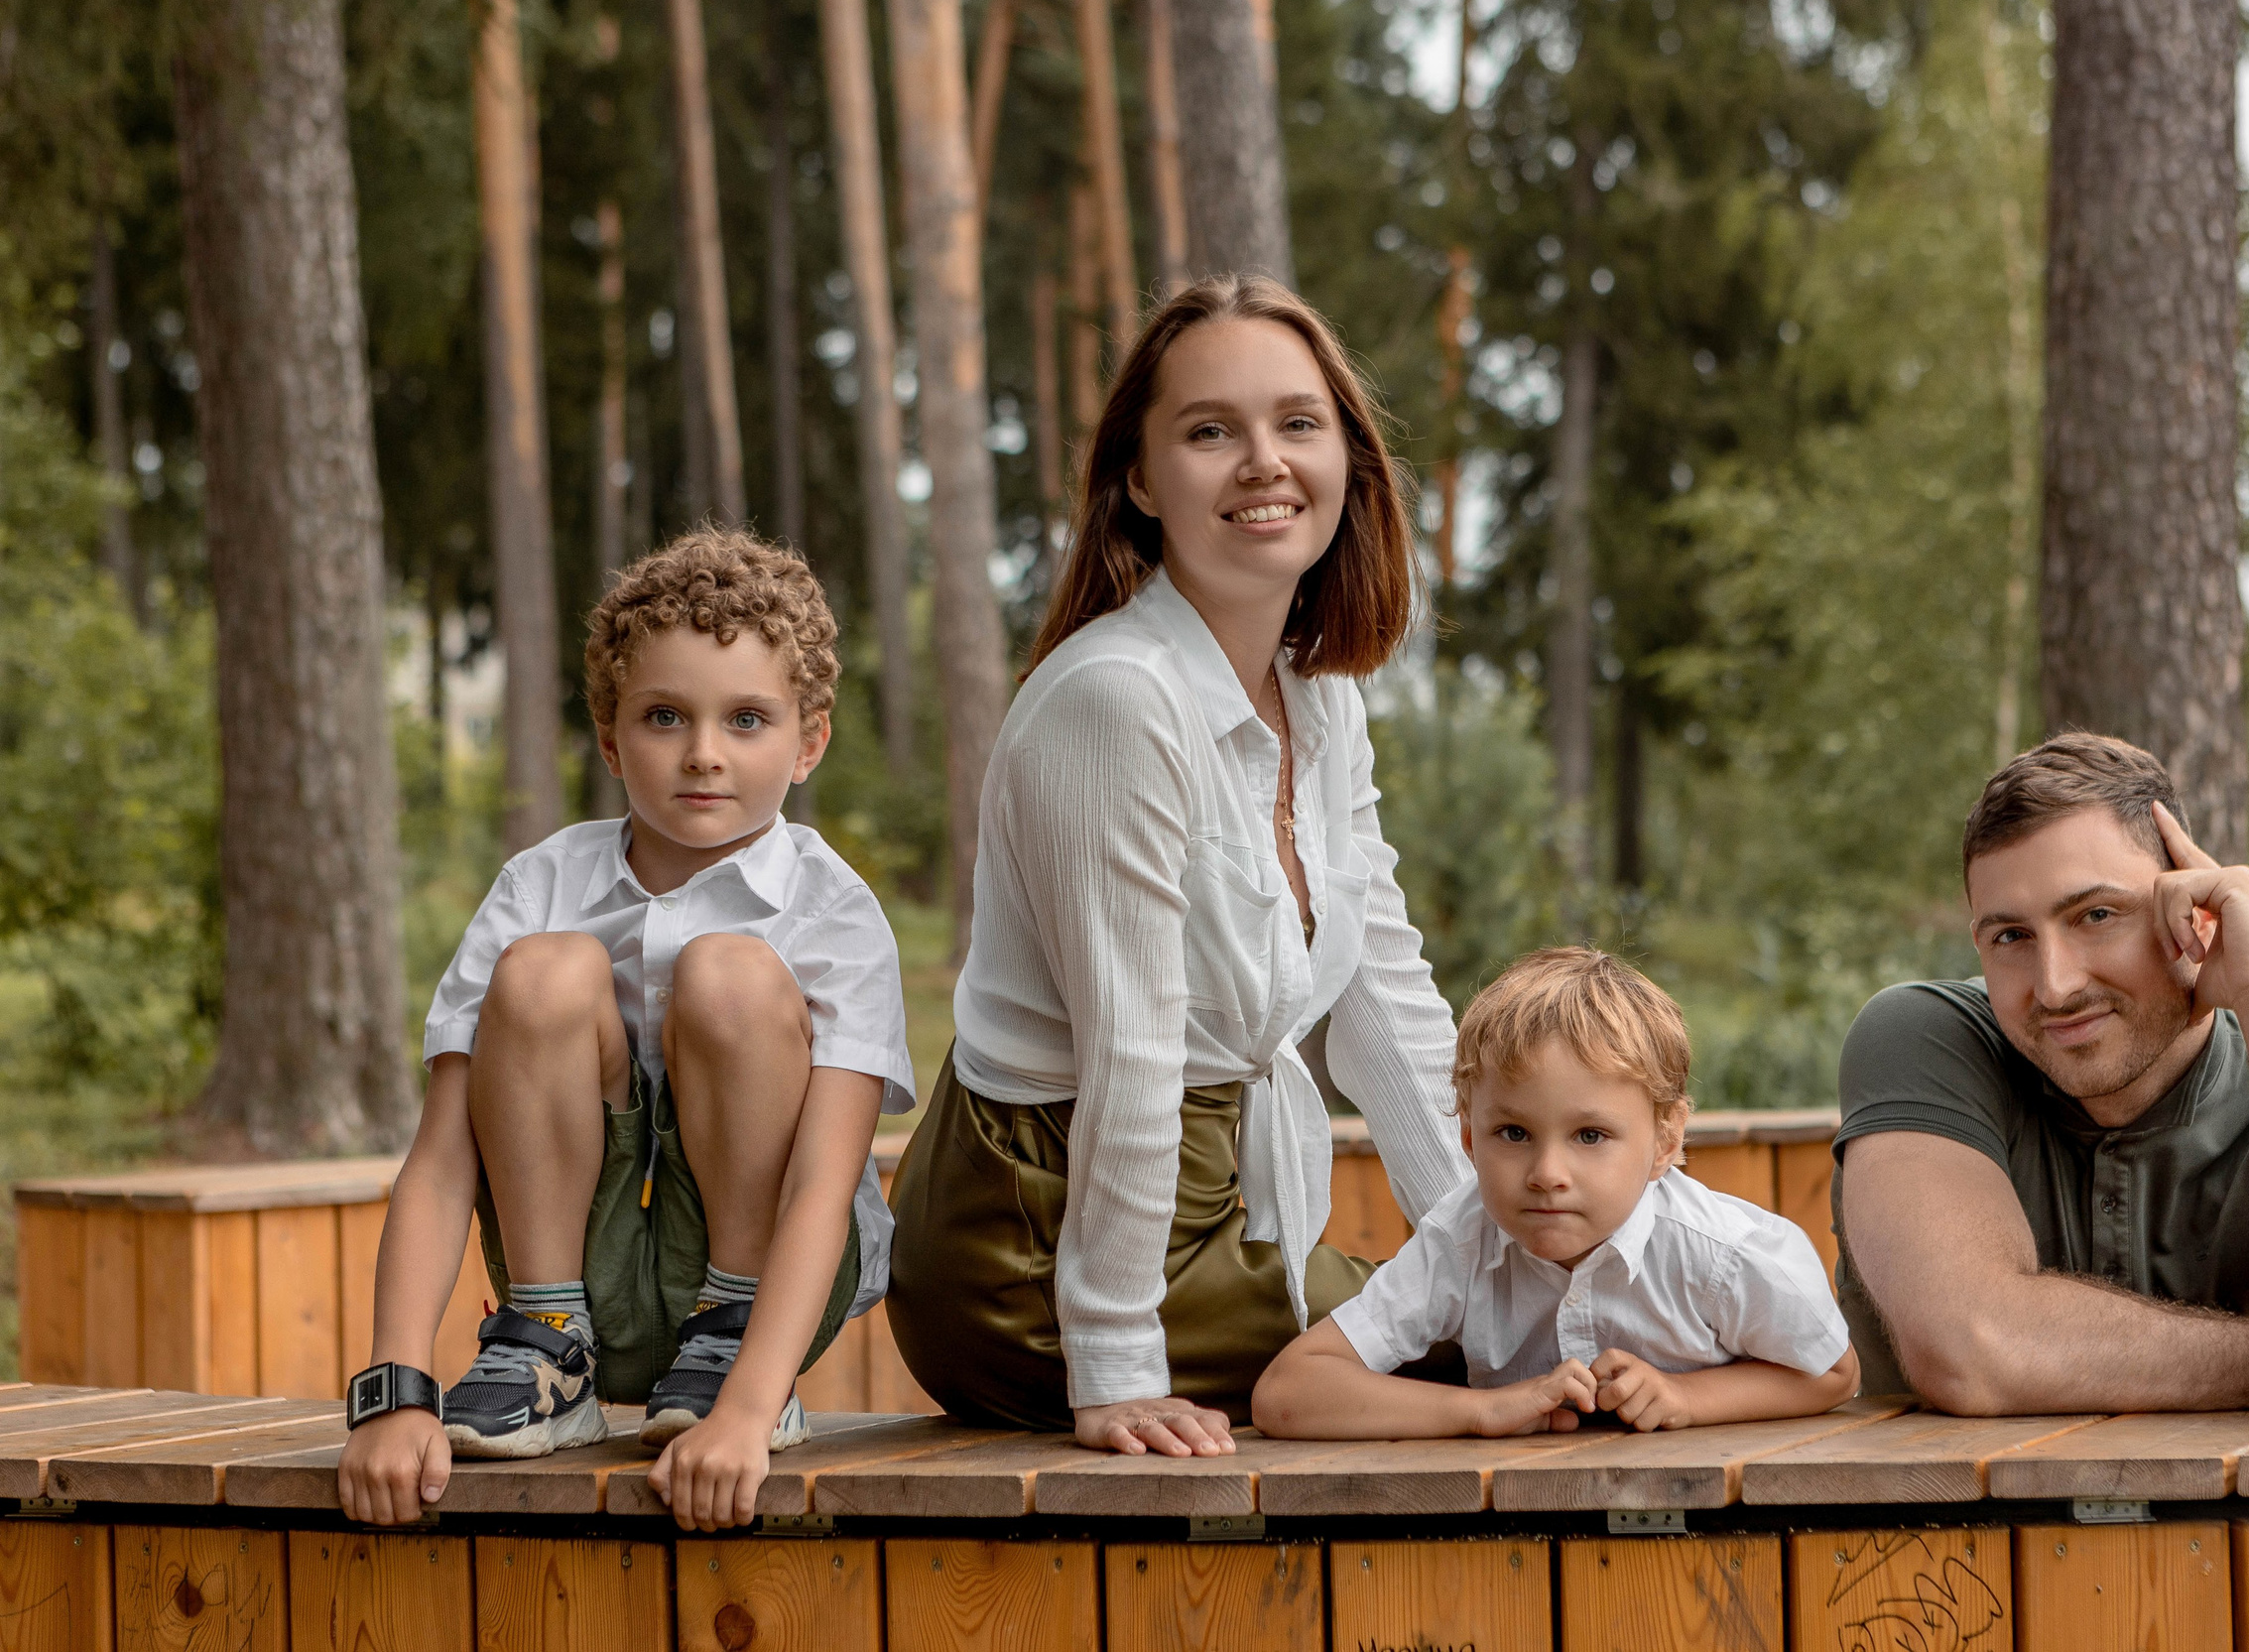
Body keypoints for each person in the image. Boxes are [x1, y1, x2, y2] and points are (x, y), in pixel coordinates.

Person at [886, 274, 1472, 1457]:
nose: (1263, 461)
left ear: (1348, 461)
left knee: (1536, 1312)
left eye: (1297, 424)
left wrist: (1491, 1240)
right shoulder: (1115, 700)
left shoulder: (1321, 700)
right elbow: (1134, 1049)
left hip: (1205, 1224)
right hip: (1036, 1254)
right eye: (1212, 431)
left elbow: (1382, 999)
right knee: (1495, 1352)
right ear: (1141, 481)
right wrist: (1113, 1367)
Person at [335, 528, 913, 1533]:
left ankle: (727, 1339)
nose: (703, 753)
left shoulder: (832, 909)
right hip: (575, 1287)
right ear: (609, 738)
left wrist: (745, 1411)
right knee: (545, 970)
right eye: (662, 717)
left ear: (808, 741)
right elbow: (438, 1162)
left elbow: (827, 1181)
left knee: (726, 971)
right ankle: (545, 1346)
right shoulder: (540, 885)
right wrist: (396, 1393)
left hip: (767, 1292)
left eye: (746, 719)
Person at [1834, 732, 2249, 1418]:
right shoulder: (1923, 1039)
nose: (2054, 986)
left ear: (2195, 914)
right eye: (2011, 937)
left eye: (2096, 915)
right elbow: (1972, 1347)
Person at [1251, 949, 1858, 1438]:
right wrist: (1483, 1411)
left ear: (1666, 1140)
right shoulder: (1460, 1242)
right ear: (1468, 1135)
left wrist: (1687, 1395)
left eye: (1590, 1135)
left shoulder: (1724, 1255)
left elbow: (1833, 1373)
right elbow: (1289, 1393)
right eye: (1512, 1133)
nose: (1546, 1172)